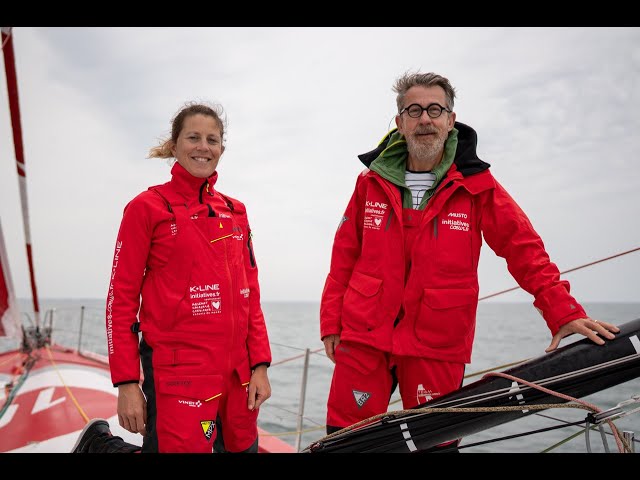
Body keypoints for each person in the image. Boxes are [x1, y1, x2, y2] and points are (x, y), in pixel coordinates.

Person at [319, 71, 620, 452]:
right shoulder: (369, 183)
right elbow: (343, 256)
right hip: (364, 333)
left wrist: (562, 312)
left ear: (450, 119)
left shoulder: (478, 186)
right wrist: (331, 321)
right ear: (399, 122)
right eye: (414, 110)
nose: (425, 119)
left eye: (435, 109)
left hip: (437, 339)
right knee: (345, 440)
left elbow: (523, 248)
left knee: (435, 444)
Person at [74, 101, 272, 453]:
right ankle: (99, 447)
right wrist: (127, 383)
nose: (203, 147)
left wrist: (260, 364)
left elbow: (249, 293)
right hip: (179, 373)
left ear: (222, 149)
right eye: (193, 137)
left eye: (212, 139)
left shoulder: (236, 211)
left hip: (238, 375)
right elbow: (120, 300)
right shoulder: (146, 208)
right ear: (175, 145)